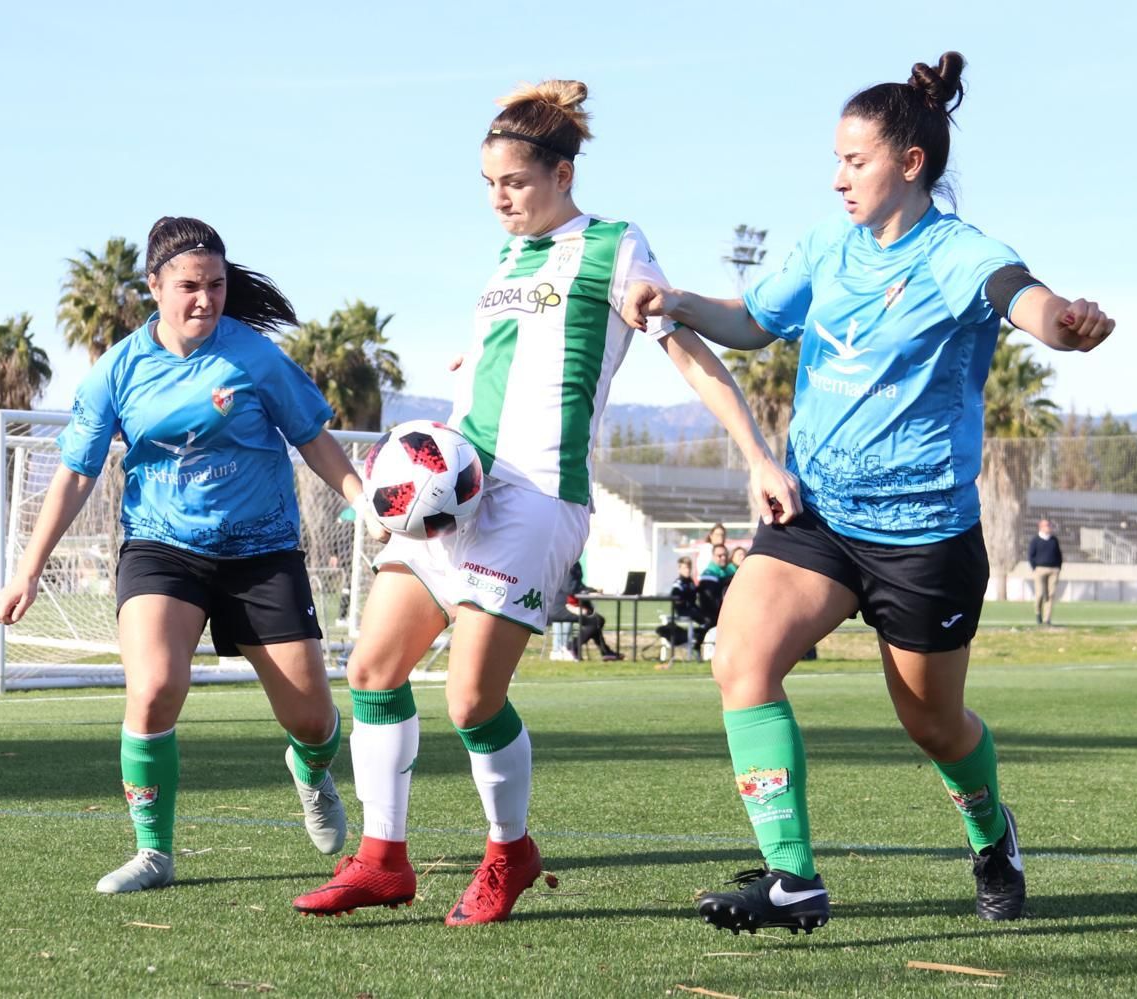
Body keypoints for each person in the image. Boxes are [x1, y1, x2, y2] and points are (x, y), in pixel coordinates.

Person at [623, 51, 1114, 931]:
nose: (838, 176)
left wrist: (1067, 327)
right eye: (838, 160)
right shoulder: (826, 246)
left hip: (924, 536)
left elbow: (1021, 298)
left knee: (934, 727)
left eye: (855, 160)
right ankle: (792, 878)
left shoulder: (961, 254)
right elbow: (750, 322)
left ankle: (991, 832)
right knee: (739, 655)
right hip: (819, 518)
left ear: (910, 164)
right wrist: (680, 301)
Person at [292, 79, 797, 926]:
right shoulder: (506, 261)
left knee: (470, 701)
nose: (499, 199)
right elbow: (511, 352)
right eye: (488, 184)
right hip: (455, 485)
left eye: (514, 183)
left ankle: (509, 852)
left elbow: (690, 355)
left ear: (563, 174)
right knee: (374, 666)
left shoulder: (615, 246)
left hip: (535, 496)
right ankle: (382, 859)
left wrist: (755, 457)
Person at [0, 216, 383, 894]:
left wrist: (363, 495)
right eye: (189, 287)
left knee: (313, 719)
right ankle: (154, 853)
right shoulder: (117, 369)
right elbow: (76, 474)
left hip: (262, 551)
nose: (204, 299)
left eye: (216, 285)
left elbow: (313, 437)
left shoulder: (255, 358)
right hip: (161, 548)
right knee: (153, 688)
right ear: (153, 287)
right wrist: (28, 567)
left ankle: (311, 768)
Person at [1028, 518, 1063, 626]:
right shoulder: (1035, 540)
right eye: (1046, 525)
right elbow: (1030, 555)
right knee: (1040, 594)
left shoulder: (1054, 540)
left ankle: (1047, 619)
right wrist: (1035, 568)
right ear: (1041, 527)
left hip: (1053, 570)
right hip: (1040, 570)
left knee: (1050, 595)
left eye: (1049, 525)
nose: (1049, 527)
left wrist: (1058, 567)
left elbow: (1059, 555)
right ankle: (1038, 613)